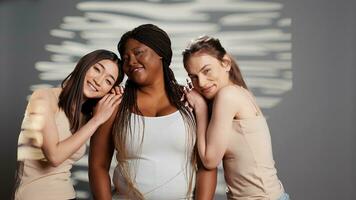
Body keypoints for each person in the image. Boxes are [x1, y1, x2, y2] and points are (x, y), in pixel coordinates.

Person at [89, 24, 217, 200]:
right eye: (125, 58)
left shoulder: (191, 102)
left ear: (160, 53)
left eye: (138, 52)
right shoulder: (115, 104)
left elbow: (207, 166)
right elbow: (98, 166)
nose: (131, 61)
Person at [182, 36, 289, 200]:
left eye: (206, 70)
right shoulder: (238, 92)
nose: (201, 83)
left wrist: (200, 108)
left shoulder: (228, 96)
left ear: (225, 63)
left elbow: (210, 160)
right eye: (193, 77)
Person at [14, 49, 124, 200]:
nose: (98, 81)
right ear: (84, 65)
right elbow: (54, 156)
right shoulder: (44, 97)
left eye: (108, 81)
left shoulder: (86, 116)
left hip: (67, 195)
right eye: (97, 69)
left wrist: (113, 100)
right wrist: (98, 119)